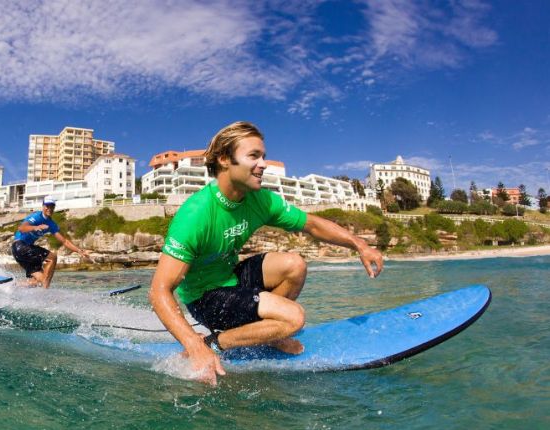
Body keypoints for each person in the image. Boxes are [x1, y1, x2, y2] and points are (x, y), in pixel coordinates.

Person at [149, 121, 384, 386]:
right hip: (205, 298)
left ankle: (269, 333)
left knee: (294, 265)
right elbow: (159, 290)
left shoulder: (260, 200)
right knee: (294, 317)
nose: (263, 164)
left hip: (231, 277)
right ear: (225, 159)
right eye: (253, 156)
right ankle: (213, 342)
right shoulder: (196, 214)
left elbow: (313, 224)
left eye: (263, 155)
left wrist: (359, 245)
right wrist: (193, 345)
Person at [11, 195, 93, 288]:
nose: (49, 208)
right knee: (52, 257)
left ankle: (13, 285)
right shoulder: (36, 217)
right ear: (43, 206)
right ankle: (45, 292)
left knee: (40, 280)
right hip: (20, 246)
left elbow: (65, 241)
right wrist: (36, 227)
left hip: (21, 252)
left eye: (52, 206)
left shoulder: (51, 224)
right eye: (47, 206)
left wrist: (80, 251)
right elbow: (21, 228)